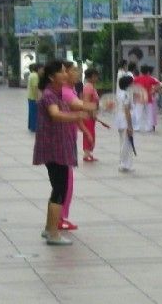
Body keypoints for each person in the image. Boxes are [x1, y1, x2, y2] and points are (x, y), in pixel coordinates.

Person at [33, 60, 89, 246]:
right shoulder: (50, 95)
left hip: (58, 148)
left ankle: (50, 229)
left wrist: (86, 112)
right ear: (52, 76)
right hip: (54, 149)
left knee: (57, 189)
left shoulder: (56, 93)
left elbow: (76, 108)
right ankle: (54, 234)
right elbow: (55, 114)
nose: (66, 74)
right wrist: (76, 116)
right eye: (63, 72)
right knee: (60, 190)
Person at [59, 61, 96, 231]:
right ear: (64, 74)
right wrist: (101, 106)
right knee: (65, 181)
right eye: (73, 70)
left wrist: (84, 131)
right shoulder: (65, 92)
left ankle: (62, 216)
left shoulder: (71, 90)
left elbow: (76, 113)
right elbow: (80, 106)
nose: (77, 72)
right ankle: (59, 217)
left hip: (69, 139)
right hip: (63, 141)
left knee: (68, 181)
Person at [114, 74, 135, 172]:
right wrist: (130, 125)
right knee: (126, 143)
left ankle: (124, 163)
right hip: (124, 120)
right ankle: (124, 164)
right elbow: (127, 110)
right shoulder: (126, 94)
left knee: (123, 142)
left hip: (119, 119)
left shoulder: (120, 93)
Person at [81, 68, 101, 162]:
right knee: (88, 133)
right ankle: (86, 154)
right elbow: (86, 101)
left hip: (91, 114)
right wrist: (91, 113)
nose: (97, 78)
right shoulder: (88, 87)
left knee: (91, 133)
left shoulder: (91, 86)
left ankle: (89, 153)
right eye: (96, 76)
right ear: (92, 76)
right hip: (88, 115)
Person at [26, 63, 41, 132]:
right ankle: (34, 127)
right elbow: (35, 87)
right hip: (33, 97)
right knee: (34, 113)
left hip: (30, 96)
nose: (42, 71)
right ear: (38, 69)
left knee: (31, 113)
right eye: (41, 69)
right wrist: (37, 97)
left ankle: (31, 126)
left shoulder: (31, 74)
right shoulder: (35, 76)